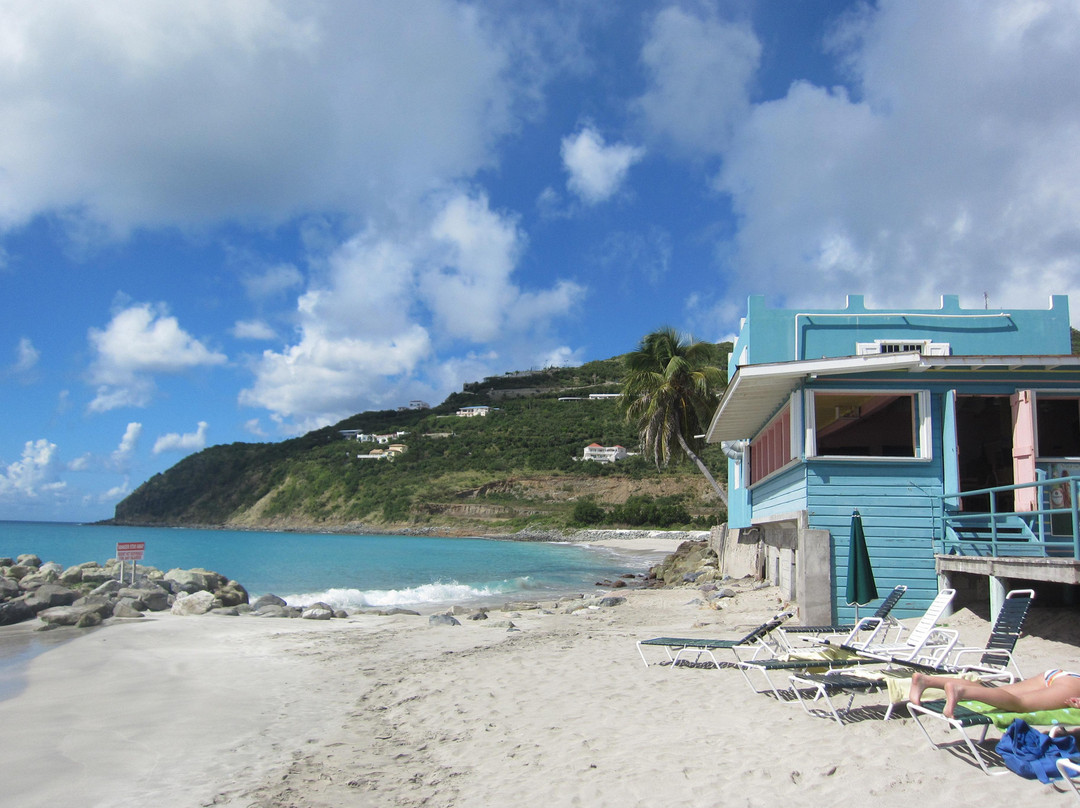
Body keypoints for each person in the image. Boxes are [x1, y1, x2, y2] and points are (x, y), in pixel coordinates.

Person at [909, 669, 1080, 718]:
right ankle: (960, 690)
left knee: (994, 693)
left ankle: (927, 681)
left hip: (1059, 675)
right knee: (1019, 704)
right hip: (1073, 685)